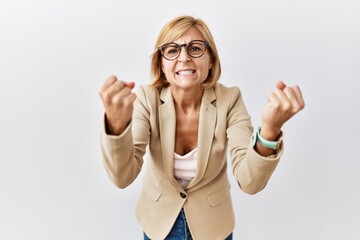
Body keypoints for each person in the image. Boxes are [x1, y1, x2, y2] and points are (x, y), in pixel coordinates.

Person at [98, 15, 305, 240]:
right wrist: (116, 126)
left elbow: (250, 181)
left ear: (211, 61)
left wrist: (270, 131)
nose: (184, 57)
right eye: (172, 50)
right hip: (159, 225)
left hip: (213, 227)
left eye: (195, 48)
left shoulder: (230, 99)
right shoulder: (146, 99)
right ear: (161, 64)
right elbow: (122, 177)